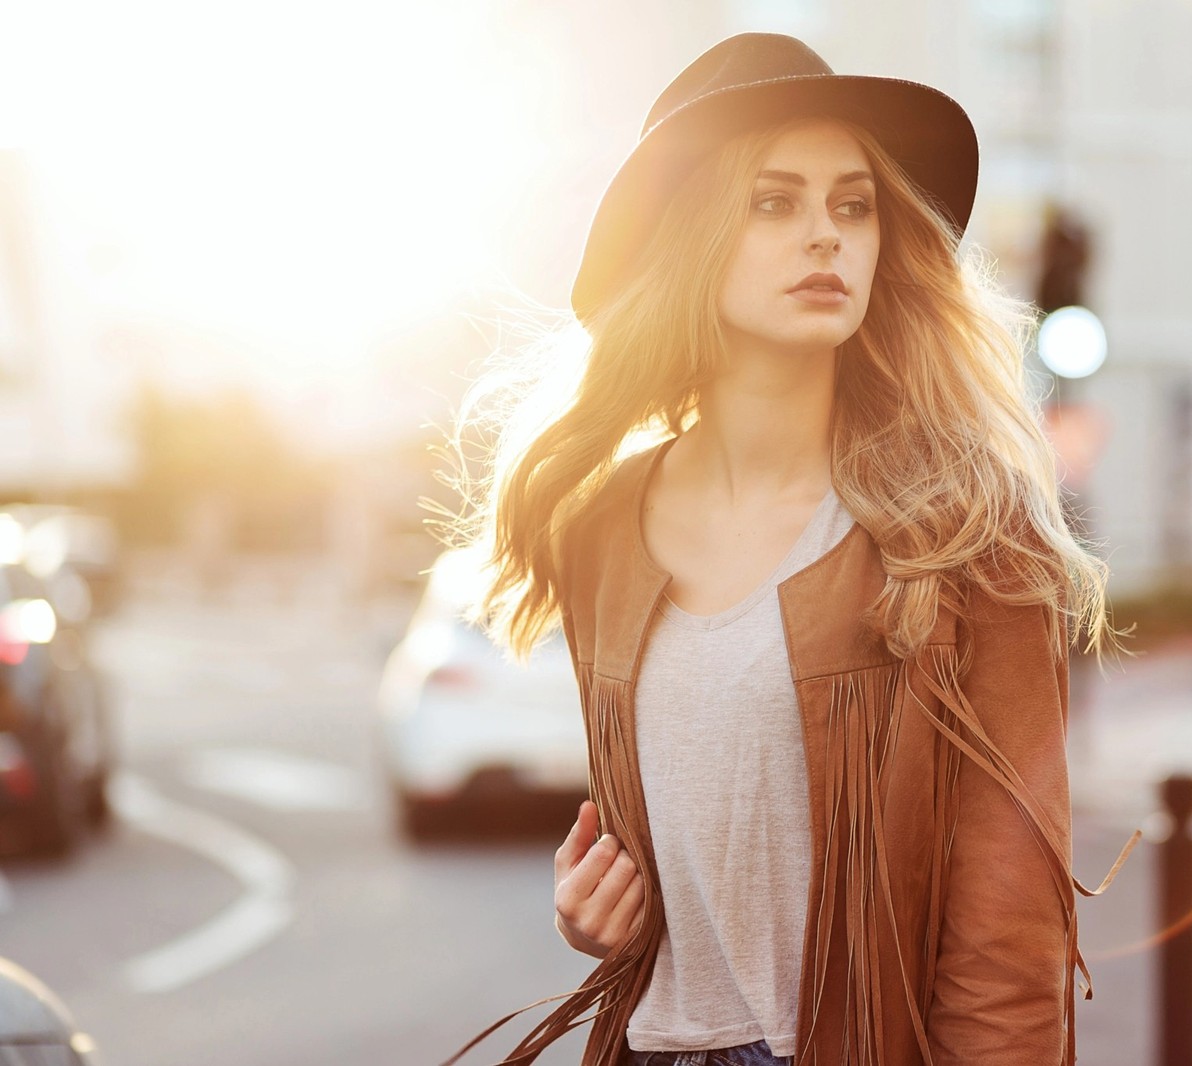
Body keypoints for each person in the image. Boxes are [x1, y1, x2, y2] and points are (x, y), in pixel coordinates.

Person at [442, 32, 1135, 1066]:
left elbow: (1006, 942)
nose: (826, 235)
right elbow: (683, 846)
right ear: (689, 240)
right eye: (774, 200)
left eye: (851, 203)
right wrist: (598, 919)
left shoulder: (967, 535)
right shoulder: (600, 527)